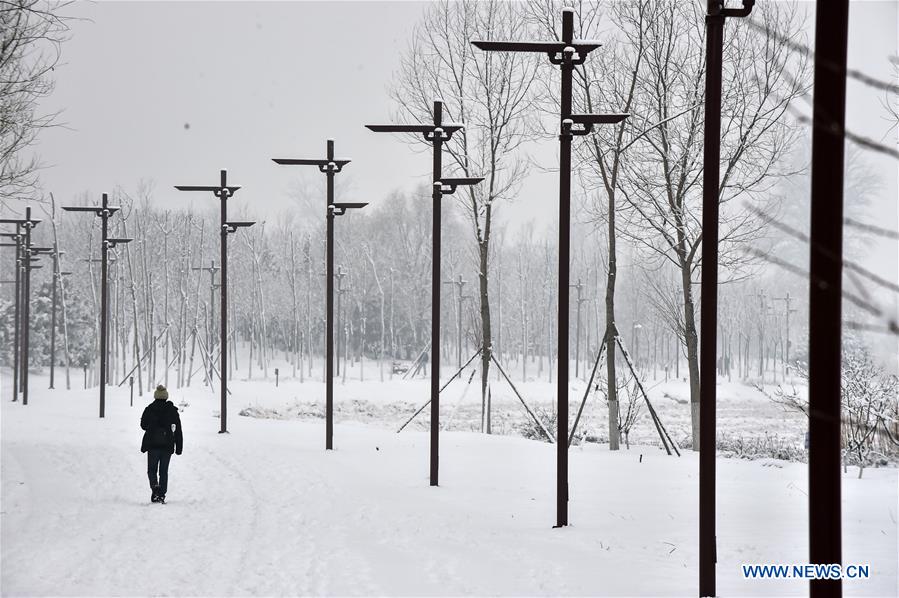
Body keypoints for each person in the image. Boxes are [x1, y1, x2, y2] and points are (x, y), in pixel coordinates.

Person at [140, 385, 183, 504]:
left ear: (155, 396)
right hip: (167, 446)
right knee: (163, 471)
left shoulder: (150, 408)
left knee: (151, 470)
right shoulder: (172, 411)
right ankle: (162, 494)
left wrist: (151, 425)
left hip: (152, 445)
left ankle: (155, 487)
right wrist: (179, 447)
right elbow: (178, 429)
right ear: (166, 396)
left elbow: (143, 425)